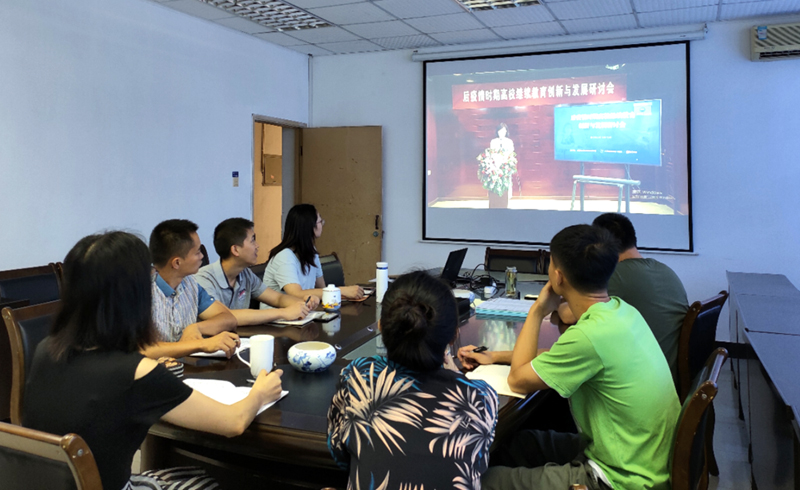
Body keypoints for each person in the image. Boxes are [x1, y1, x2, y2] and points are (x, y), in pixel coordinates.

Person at [23, 231, 284, 490]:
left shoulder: (45, 350)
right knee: (216, 481)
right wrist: (260, 393)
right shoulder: (136, 372)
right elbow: (233, 422)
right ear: (134, 296)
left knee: (187, 473)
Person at [459, 225, 680, 490]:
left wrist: (538, 310)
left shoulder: (590, 335)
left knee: (482, 481)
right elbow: (557, 356)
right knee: (515, 444)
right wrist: (495, 356)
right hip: (639, 456)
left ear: (558, 276)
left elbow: (517, 380)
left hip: (619, 479)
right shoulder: (621, 312)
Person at [328, 271, 498, 490]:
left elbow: (340, 455)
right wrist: (455, 376)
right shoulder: (480, 397)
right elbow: (477, 463)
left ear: (381, 327)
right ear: (454, 336)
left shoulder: (358, 375)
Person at [557, 213, 689, 382]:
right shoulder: (664, 270)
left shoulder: (616, 276)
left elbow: (568, 316)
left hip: (643, 377)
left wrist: (559, 299)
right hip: (666, 371)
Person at [195, 218, 320, 326]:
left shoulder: (245, 274)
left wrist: (303, 304)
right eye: (252, 240)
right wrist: (283, 313)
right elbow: (225, 316)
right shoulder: (203, 279)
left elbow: (278, 298)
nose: (257, 245)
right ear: (235, 250)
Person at [145, 219, 238, 359]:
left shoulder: (190, 284)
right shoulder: (142, 292)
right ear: (177, 262)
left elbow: (228, 319)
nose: (202, 256)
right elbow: (143, 350)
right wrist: (200, 344)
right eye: (197, 252)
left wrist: (196, 328)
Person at [263, 204, 364, 302]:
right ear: (310, 227)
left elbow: (321, 288)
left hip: (303, 310)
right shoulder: (284, 256)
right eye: (320, 221)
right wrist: (341, 290)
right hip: (278, 312)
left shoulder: (311, 251)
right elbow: (295, 294)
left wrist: (343, 294)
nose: (322, 224)